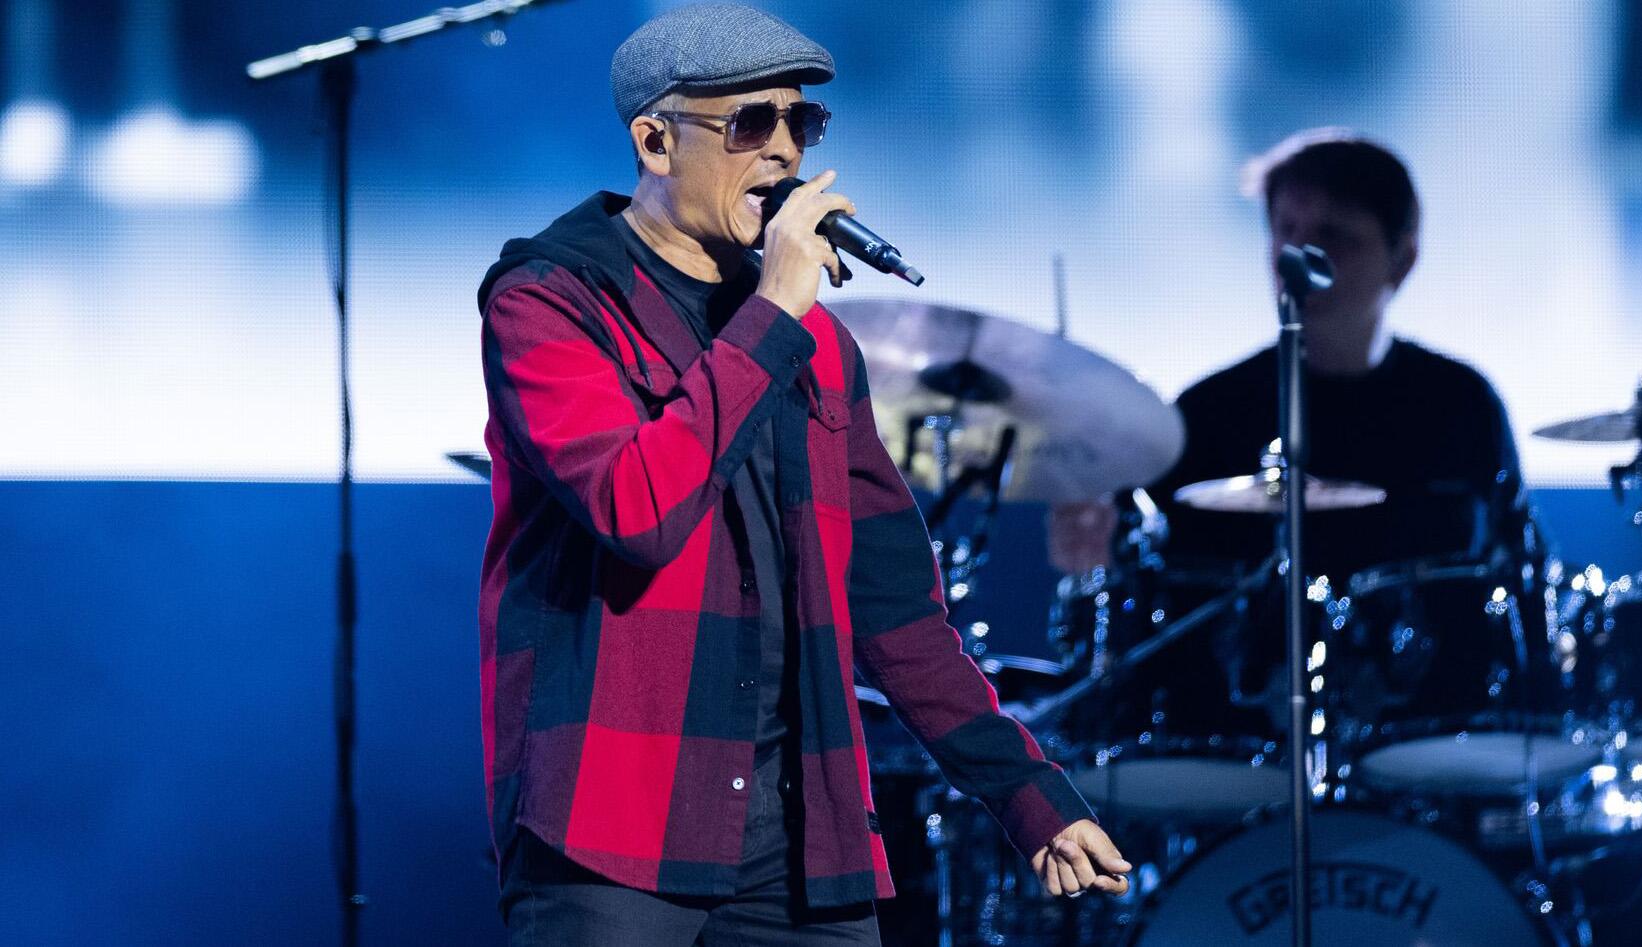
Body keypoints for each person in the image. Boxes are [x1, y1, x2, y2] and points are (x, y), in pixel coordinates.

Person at [476, 5, 1126, 944]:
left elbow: (896, 610)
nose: (783, 151)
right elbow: (634, 509)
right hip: (612, 830)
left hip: (801, 841)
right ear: (655, 142)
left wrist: (1029, 795)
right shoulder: (550, 300)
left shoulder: (815, 344)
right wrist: (774, 310)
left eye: (801, 122)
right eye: (751, 123)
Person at [1049, 130, 1532, 732]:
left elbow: (1521, 572)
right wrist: (1090, 555)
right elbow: (1137, 588)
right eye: (1286, 231)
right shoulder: (1207, 413)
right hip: (1235, 742)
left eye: (1335, 235)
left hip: (1430, 740)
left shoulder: (1462, 405)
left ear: (1402, 259)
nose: (1299, 256)